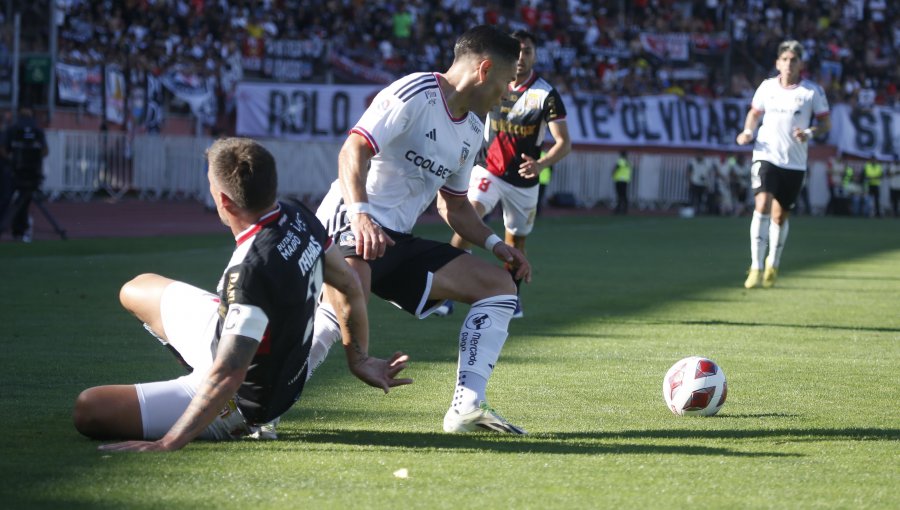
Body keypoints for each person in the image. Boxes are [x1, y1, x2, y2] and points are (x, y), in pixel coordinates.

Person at [72, 137, 412, 452]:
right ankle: (224, 332)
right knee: (136, 289)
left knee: (89, 409)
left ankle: (248, 424)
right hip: (273, 347)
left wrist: (171, 441)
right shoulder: (296, 213)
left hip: (241, 400)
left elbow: (229, 374)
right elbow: (350, 284)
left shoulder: (250, 271)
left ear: (223, 200)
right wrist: (360, 360)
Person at [312, 25, 533, 434]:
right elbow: (353, 149)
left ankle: (466, 408)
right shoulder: (415, 92)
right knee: (333, 313)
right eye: (506, 82)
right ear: (484, 70)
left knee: (499, 288)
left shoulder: (471, 129)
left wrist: (495, 244)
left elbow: (453, 204)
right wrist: (360, 214)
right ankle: (248, 407)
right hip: (348, 223)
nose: (507, 94)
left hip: (394, 239)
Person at [439, 29, 570, 318]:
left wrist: (541, 163)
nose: (522, 57)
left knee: (516, 241)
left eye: (528, 51)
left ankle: (511, 296)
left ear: (535, 55)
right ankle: (446, 292)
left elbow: (564, 143)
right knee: (470, 214)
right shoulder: (495, 83)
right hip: (489, 170)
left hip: (524, 181)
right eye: (518, 51)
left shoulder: (545, 94)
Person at [736, 40, 830, 289]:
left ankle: (773, 262)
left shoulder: (811, 92)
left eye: (794, 60)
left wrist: (809, 133)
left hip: (795, 163)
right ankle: (755, 266)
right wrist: (747, 131)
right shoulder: (767, 87)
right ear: (778, 62)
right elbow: (755, 113)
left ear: (801, 64)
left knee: (780, 216)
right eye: (785, 59)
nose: (789, 64)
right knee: (762, 204)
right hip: (766, 155)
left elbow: (826, 124)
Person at [0, 106, 48, 242]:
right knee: (15, 201)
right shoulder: (36, 130)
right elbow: (45, 151)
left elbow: (2, 148)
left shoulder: (13, 129)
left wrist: (13, 160)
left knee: (13, 200)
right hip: (22, 173)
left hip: (15, 172)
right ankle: (18, 230)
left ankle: (18, 230)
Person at [612, 151, 632, 215]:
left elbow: (615, 168)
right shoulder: (628, 162)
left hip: (619, 180)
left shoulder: (620, 161)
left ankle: (618, 209)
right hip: (625, 180)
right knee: (624, 195)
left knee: (619, 195)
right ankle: (625, 209)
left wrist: (613, 174)